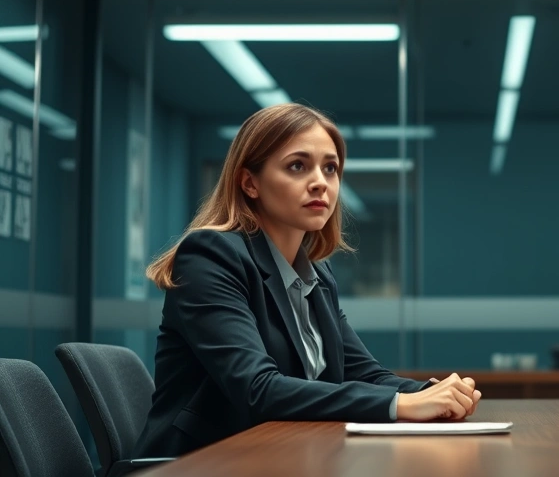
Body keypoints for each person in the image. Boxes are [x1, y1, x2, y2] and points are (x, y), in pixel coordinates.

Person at [134, 103, 481, 457]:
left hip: (277, 461)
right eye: (297, 166)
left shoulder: (317, 274)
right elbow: (259, 389)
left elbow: (363, 374)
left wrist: (434, 392)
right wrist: (400, 405)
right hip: (194, 474)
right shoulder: (211, 256)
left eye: (330, 168)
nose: (320, 182)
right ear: (249, 183)